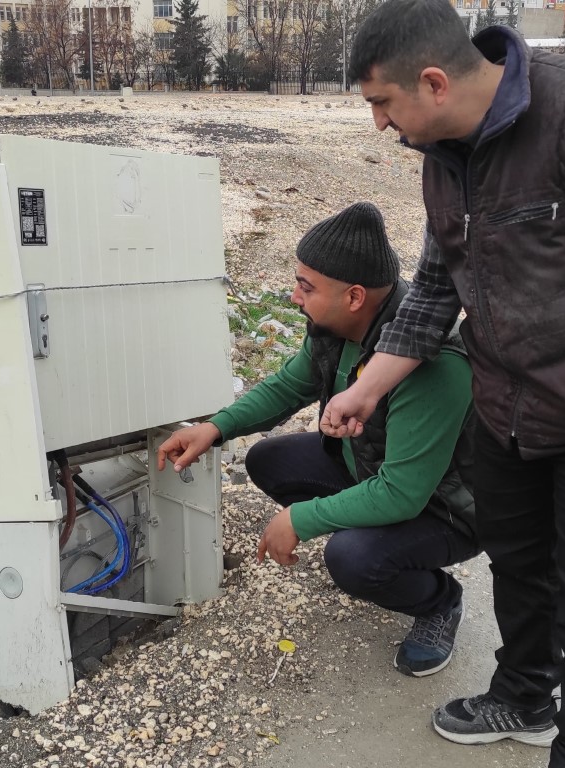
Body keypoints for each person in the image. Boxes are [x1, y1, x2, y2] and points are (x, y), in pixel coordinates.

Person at [322, 2, 565, 765]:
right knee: (519, 567)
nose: (377, 123)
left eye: (380, 102)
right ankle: (523, 696)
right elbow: (438, 288)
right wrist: (366, 387)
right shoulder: (444, 155)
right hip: (505, 413)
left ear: (433, 82)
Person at [156, 202, 480, 678]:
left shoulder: (430, 365)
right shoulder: (334, 328)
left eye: (306, 287)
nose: (293, 297)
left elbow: (403, 493)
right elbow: (288, 386)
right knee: (268, 461)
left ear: (353, 297)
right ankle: (371, 548)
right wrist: (215, 427)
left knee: (351, 558)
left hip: (446, 508)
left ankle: (438, 603)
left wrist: (302, 518)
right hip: (375, 470)